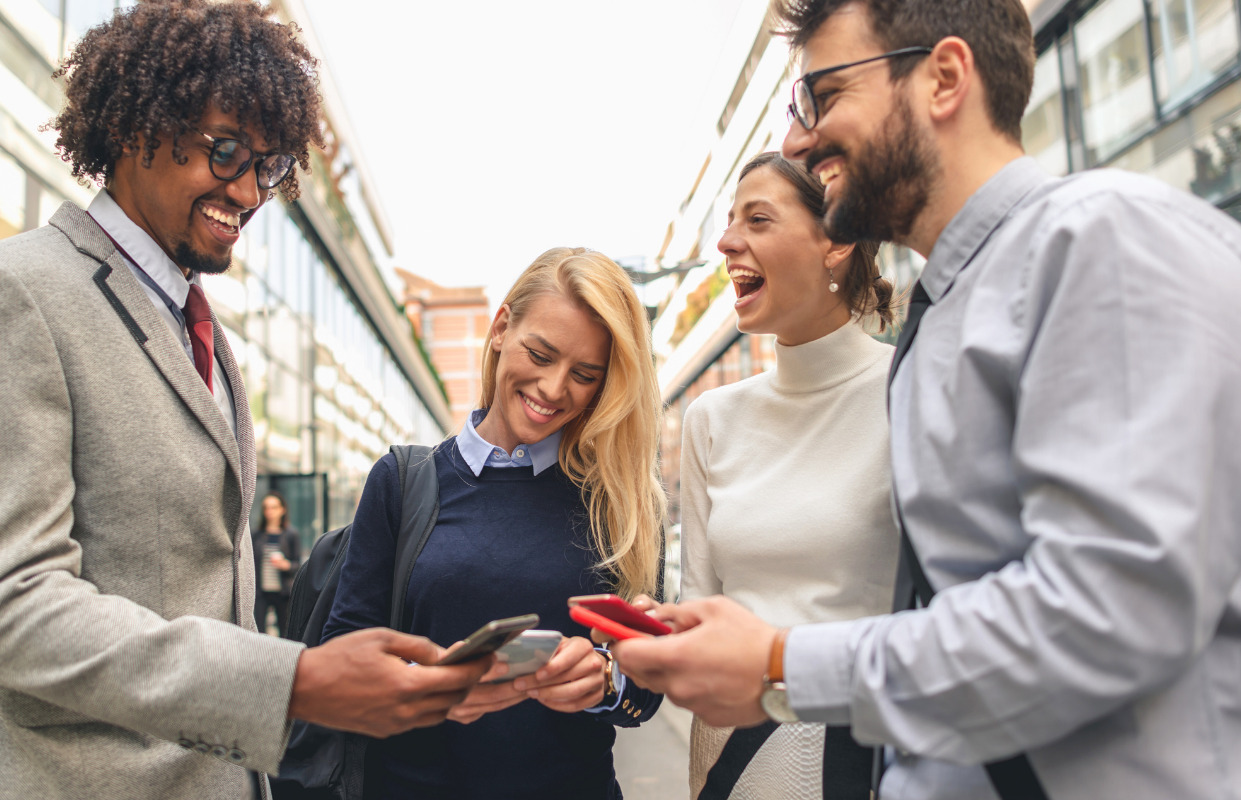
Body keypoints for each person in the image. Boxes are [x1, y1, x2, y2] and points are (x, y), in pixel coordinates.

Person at [608, 1, 1241, 799]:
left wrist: (782, 665)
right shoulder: (944, 314)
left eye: (825, 95)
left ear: (944, 78)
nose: (800, 140)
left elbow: (1110, 615)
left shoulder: (1100, 240)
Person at [0, 4, 490, 799]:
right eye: (226, 151)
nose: (247, 191)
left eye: (268, 167)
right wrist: (291, 683)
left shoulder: (199, 328)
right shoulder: (2, 294)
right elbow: (7, 607)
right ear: (133, 128)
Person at [324, 247, 666, 800]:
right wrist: (428, 683)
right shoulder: (402, 481)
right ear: (502, 328)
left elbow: (644, 697)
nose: (554, 389)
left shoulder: (622, 502)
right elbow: (342, 657)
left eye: (584, 375)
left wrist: (606, 679)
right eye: (541, 354)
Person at [677, 152, 896, 799]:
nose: (726, 242)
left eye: (758, 219)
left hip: (862, 763)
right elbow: (699, 609)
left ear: (835, 243)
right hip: (727, 764)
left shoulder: (909, 391)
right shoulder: (710, 418)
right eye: (729, 221)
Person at [254, 492, 301, 635]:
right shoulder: (256, 535)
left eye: (274, 507)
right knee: (259, 632)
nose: (270, 511)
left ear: (282, 510)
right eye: (266, 507)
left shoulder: (291, 534)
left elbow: (297, 564)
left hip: (283, 592)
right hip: (261, 592)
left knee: (285, 632)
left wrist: (286, 565)